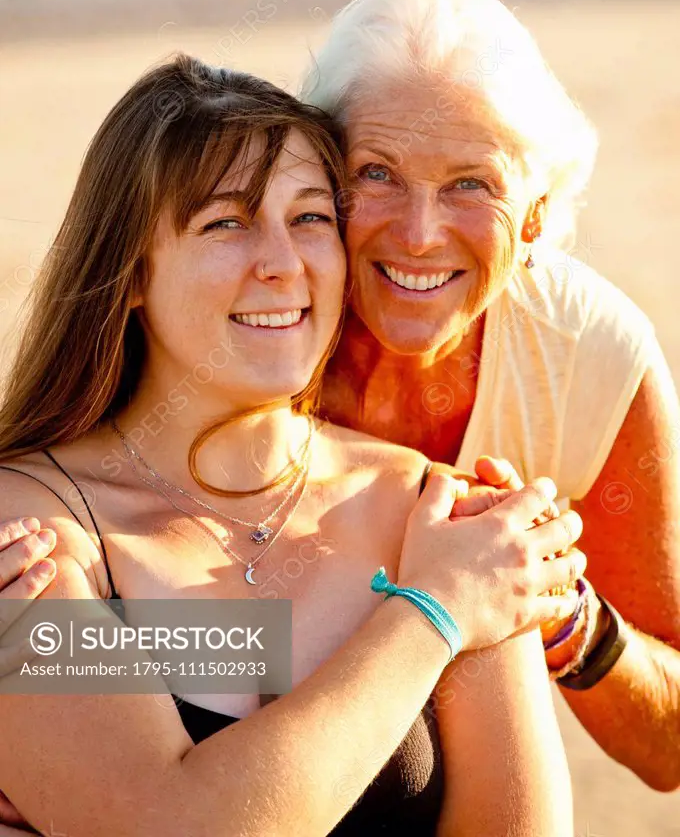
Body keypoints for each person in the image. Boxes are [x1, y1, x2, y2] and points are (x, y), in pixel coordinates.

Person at [0, 55, 584, 837]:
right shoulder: (34, 533)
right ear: (130, 271)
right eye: (226, 222)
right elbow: (174, 826)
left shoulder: (443, 514)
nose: (283, 263)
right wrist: (435, 615)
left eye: (310, 217)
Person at [301, 0, 680, 791]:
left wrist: (558, 611)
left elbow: (670, 749)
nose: (419, 233)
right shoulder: (242, 321)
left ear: (537, 215)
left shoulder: (592, 353)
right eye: (377, 173)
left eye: (470, 184)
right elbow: (87, 645)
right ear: (319, 177)